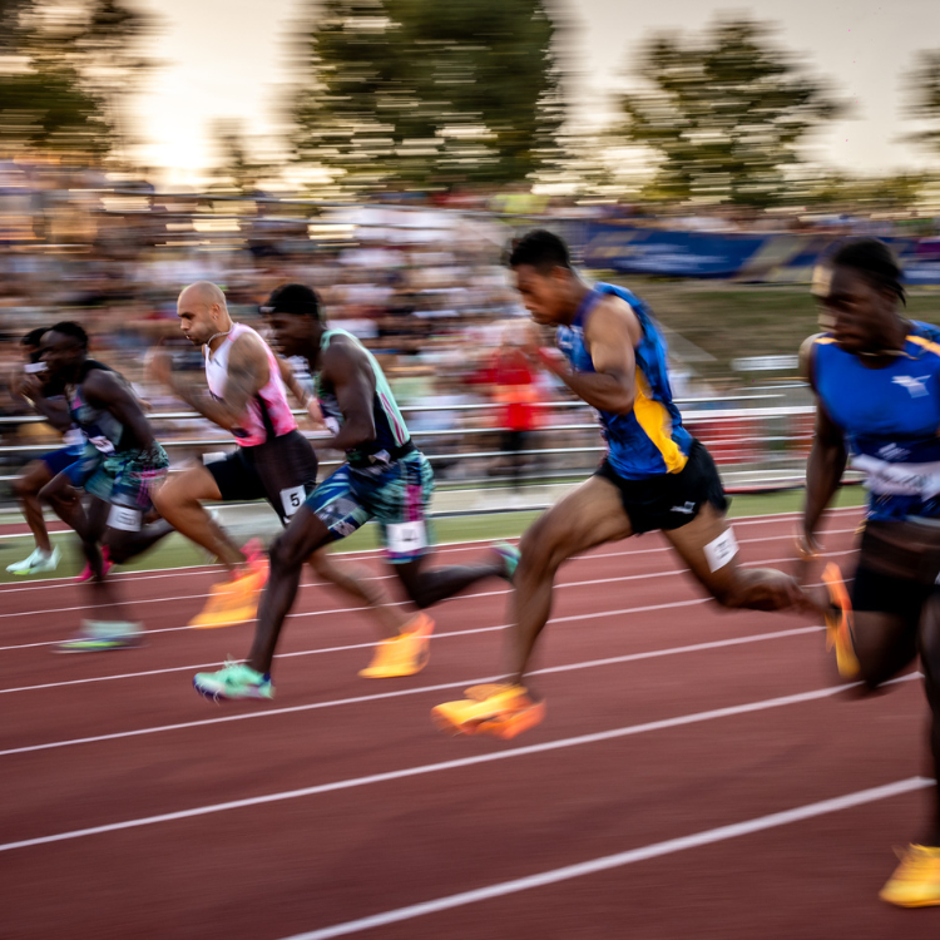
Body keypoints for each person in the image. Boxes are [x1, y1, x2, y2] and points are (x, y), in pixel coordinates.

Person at [431, 230, 818, 739]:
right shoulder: (567, 322)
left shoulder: (605, 315)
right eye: (519, 295)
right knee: (536, 550)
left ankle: (826, 606)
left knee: (732, 591)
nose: (526, 305)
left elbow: (616, 394)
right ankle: (513, 691)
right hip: (625, 477)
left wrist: (545, 364)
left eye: (530, 291)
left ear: (560, 276)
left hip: (677, 479)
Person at [191, 283, 518, 700]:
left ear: (308, 320)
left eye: (281, 325)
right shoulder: (313, 356)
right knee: (287, 551)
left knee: (418, 593)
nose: (274, 335)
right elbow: (318, 398)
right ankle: (257, 673)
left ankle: (498, 562)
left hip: (401, 479)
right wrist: (307, 402)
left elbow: (361, 428)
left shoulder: (338, 354)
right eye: (270, 327)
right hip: (362, 475)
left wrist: (313, 444)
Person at [797, 237, 940, 908]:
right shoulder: (819, 359)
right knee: (863, 677)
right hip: (886, 538)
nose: (833, 321)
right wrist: (806, 532)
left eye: (846, 305)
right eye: (825, 307)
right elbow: (828, 444)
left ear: (887, 297)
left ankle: (934, 848)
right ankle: (844, 614)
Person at [148, 280, 406, 646]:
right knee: (170, 497)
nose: (183, 326)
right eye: (180, 319)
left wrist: (171, 382)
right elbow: (279, 365)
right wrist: (306, 396)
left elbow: (228, 416)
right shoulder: (218, 345)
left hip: (285, 460)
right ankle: (243, 568)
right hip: (252, 456)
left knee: (319, 563)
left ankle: (401, 627)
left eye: (188, 317)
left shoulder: (244, 346)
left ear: (215, 311)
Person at [38, 322, 174, 651]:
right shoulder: (70, 383)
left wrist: (151, 488)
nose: (46, 357)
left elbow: (141, 425)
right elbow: (68, 423)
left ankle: (175, 520)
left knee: (119, 549)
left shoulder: (97, 381)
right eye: (44, 350)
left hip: (138, 463)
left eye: (52, 351)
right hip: (107, 461)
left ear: (75, 352)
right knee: (81, 534)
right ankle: (107, 625)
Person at [6, 328, 84, 576]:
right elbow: (53, 419)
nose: (29, 359)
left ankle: (48, 552)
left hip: (89, 446)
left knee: (26, 485)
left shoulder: (64, 374)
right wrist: (23, 396)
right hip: (77, 445)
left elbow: (63, 420)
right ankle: (87, 541)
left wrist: (35, 396)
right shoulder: (46, 375)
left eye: (32, 352)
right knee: (53, 494)